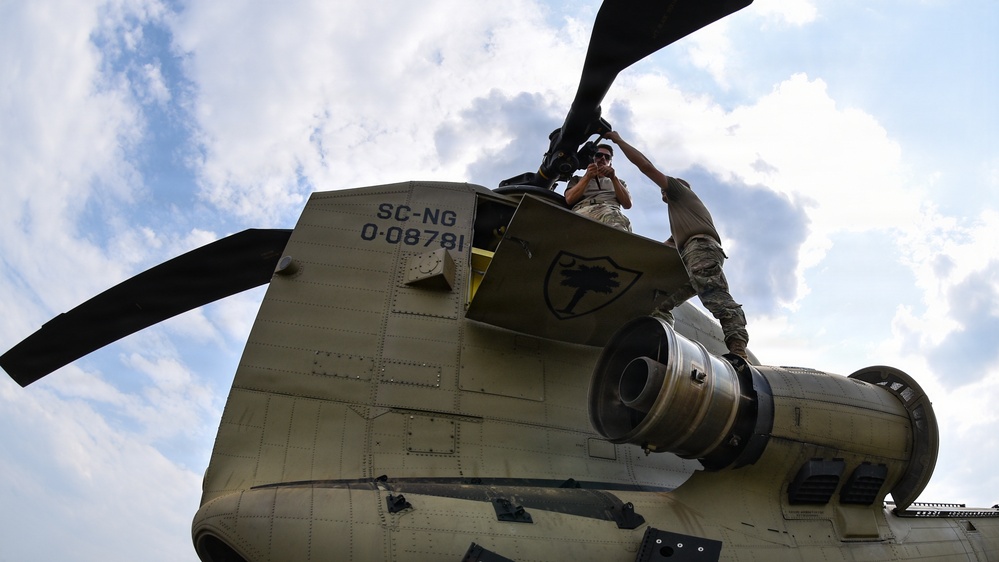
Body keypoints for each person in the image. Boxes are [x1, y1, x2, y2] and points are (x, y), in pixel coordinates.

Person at [604, 131, 749, 360]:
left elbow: (646, 167)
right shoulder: (682, 218)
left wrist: (618, 140)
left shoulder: (680, 193)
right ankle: (660, 346)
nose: (663, 191)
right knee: (659, 305)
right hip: (689, 254)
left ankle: (738, 350)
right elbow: (663, 249)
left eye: (665, 188)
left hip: (699, 250)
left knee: (715, 296)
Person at [564, 144, 633, 231]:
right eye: (598, 155)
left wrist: (614, 178)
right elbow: (569, 199)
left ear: (610, 164)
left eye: (607, 157)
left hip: (610, 212)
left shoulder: (619, 183)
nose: (603, 158)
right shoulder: (577, 179)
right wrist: (588, 176)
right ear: (591, 159)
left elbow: (627, 204)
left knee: (616, 222)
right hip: (583, 211)